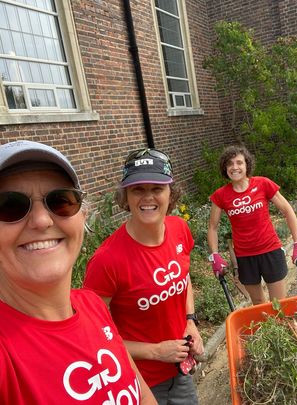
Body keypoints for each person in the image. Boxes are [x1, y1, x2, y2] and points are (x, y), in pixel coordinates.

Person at [0, 140, 156, 405]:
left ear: (82, 216)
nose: (42, 220)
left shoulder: (92, 305)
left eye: (61, 201)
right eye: (9, 205)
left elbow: (141, 393)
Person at [83, 148, 204, 405]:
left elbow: (184, 278)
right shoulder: (107, 261)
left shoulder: (179, 229)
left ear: (171, 193)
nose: (148, 197)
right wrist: (156, 351)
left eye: (157, 188)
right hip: (138, 380)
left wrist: (190, 321)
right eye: (138, 189)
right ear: (125, 196)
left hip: (178, 369)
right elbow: (92, 336)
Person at [207, 144, 297, 305]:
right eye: (230, 164)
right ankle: (266, 331)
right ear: (225, 168)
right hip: (245, 257)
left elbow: (287, 211)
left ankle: (283, 328)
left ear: (247, 165)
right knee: (258, 303)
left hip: (270, 251)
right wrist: (215, 255)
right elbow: (212, 227)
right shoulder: (220, 195)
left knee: (279, 303)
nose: (234, 167)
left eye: (239, 162)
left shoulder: (263, 184)